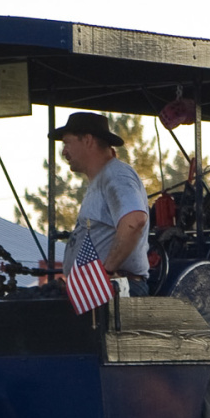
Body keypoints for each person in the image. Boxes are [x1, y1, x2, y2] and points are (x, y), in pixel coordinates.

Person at [51, 112, 150, 296]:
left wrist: (106, 272)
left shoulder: (116, 175)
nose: (64, 151)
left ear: (88, 140)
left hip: (117, 290)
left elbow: (135, 220)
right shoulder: (103, 178)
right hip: (99, 290)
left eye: (67, 143)